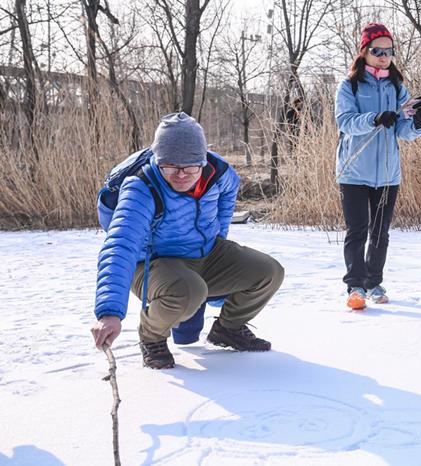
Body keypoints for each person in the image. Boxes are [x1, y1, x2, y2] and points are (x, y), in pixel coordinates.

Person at [91, 112, 284, 369]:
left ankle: (229, 328)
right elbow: (119, 246)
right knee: (189, 290)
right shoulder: (141, 187)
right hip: (153, 263)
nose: (181, 175)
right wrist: (109, 313)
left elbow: (221, 216)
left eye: (190, 167)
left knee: (268, 271)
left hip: (204, 253)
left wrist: (217, 256)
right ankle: (152, 337)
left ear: (203, 161)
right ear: (158, 161)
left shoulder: (221, 174)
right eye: (170, 167)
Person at [335, 22, 421, 310]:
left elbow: (402, 130)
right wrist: (375, 118)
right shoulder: (349, 85)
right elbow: (345, 122)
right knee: (357, 230)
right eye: (377, 50)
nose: (383, 56)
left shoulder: (396, 86)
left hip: (387, 174)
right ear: (364, 51)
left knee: (380, 232)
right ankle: (355, 285)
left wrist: (418, 123)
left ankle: (374, 282)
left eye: (389, 51)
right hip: (354, 171)